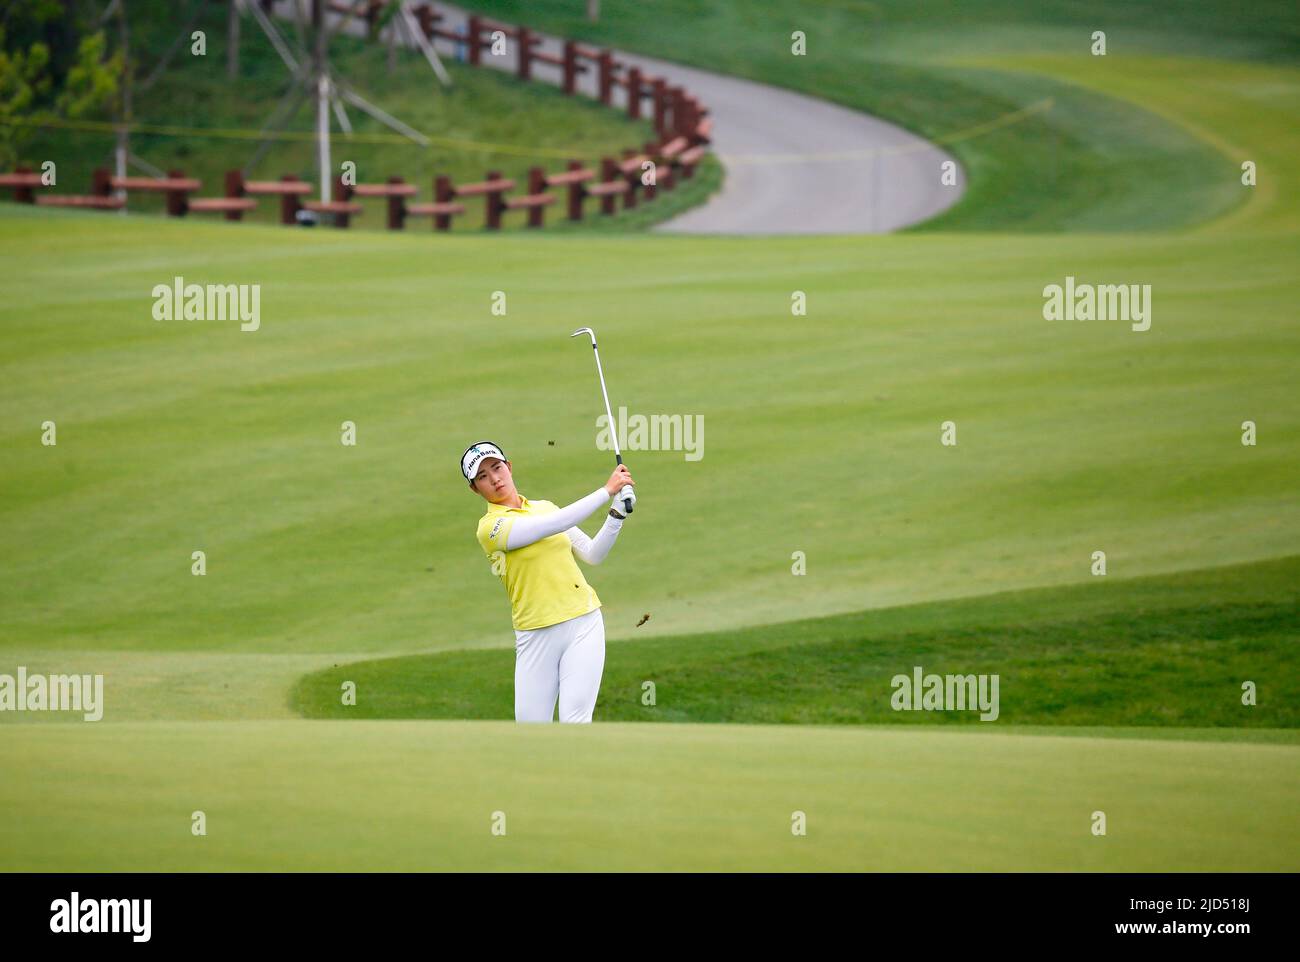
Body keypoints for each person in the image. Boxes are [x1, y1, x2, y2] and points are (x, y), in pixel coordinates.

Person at [462, 441, 635, 723]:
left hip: (583, 621)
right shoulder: (489, 529)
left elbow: (593, 554)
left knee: (576, 720)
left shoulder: (545, 507)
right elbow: (548, 526)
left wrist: (616, 515)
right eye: (482, 476)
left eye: (497, 467)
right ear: (475, 488)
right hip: (534, 633)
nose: (494, 478)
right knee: (531, 730)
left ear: (509, 467)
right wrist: (606, 491)